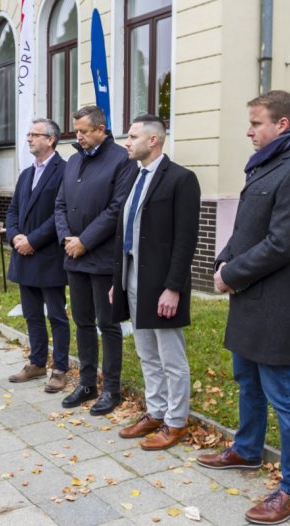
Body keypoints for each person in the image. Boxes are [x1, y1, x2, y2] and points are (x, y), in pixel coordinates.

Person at [196, 90, 290, 525]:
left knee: (286, 397)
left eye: (256, 123)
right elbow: (248, 227)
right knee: (247, 382)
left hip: (278, 305)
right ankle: (247, 450)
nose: (249, 131)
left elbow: (282, 244)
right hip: (249, 299)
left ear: (282, 125)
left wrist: (231, 275)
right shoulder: (268, 164)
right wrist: (223, 259)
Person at [110, 114, 200, 450]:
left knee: (170, 355)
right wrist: (116, 279)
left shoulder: (181, 179)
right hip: (132, 275)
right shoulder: (134, 177)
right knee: (146, 350)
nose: (126, 143)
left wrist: (173, 286)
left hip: (162, 281)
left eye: (132, 137)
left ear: (154, 141)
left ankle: (176, 421)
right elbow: (125, 230)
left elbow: (185, 238)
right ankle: (156, 411)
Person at [55, 105, 137, 416]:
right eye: (76, 131)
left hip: (102, 257)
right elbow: (60, 204)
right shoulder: (74, 160)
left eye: (84, 131)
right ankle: (87, 383)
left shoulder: (121, 159)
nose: (78, 136)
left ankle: (111, 389)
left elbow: (117, 208)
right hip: (73, 256)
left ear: (101, 130)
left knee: (108, 324)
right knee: (83, 321)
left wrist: (85, 241)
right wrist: (67, 239)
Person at [6, 118, 70, 393]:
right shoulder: (26, 174)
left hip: (48, 256)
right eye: (28, 134)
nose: (29, 139)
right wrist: (15, 236)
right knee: (32, 314)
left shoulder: (64, 171)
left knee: (56, 315)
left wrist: (33, 240)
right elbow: (12, 211)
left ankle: (60, 368)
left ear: (51, 139)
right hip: (24, 254)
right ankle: (36, 362)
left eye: (35, 135)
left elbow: (61, 214)